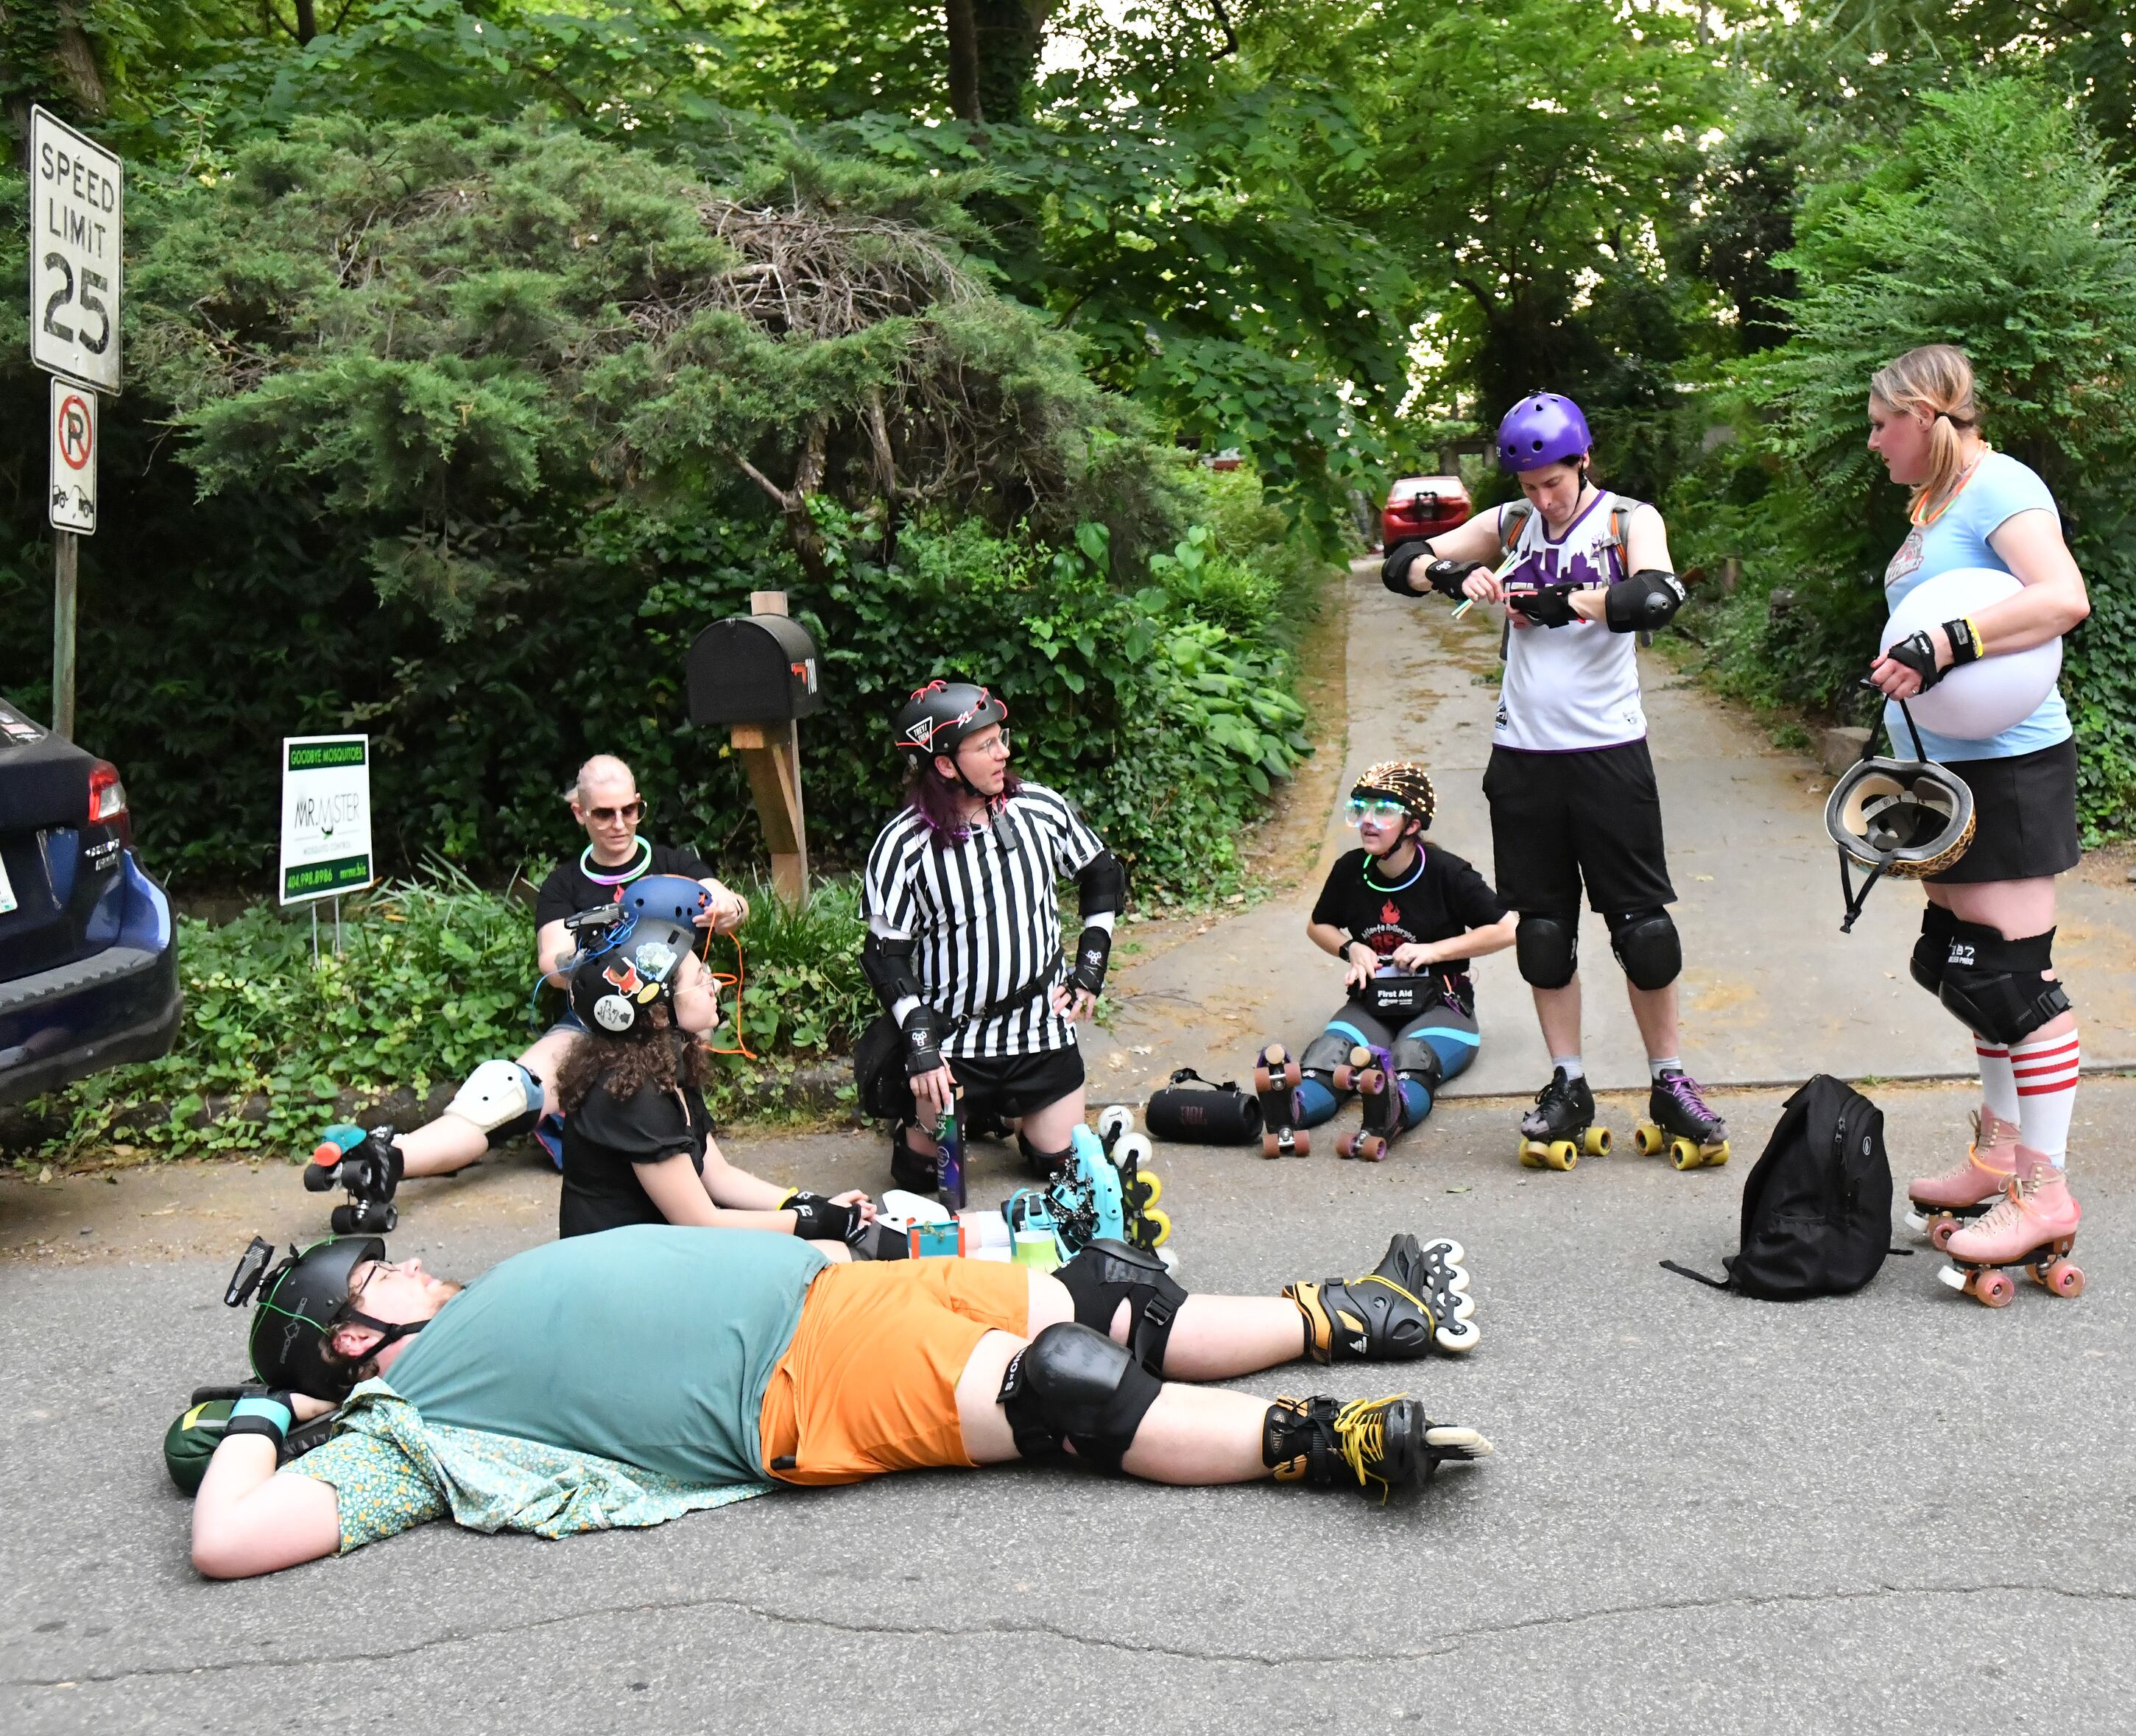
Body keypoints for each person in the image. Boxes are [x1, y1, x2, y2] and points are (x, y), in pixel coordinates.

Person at [186, 1221, 1491, 1577]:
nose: (413, 1264)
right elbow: (230, 1538)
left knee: (1108, 1295)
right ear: (355, 1338)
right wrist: (262, 1413)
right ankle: (1327, 1447)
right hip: (802, 1385)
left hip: (838, 1303)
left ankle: (1368, 1312)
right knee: (1067, 1389)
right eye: (385, 1273)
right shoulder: (413, 1430)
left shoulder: (458, 1314)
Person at [1378, 392, 1731, 1171]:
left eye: (1554, 482)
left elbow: (1657, 596)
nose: (1543, 498)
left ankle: (1669, 1079)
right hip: (1523, 756)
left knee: (1643, 930)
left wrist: (1576, 600)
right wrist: (1451, 574)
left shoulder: (1625, 520)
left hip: (1610, 754)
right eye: (1531, 484)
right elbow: (1399, 565)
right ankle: (1567, 1083)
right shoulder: (1509, 524)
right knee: (1542, 932)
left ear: (1582, 462)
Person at [1861, 347, 2095, 1299]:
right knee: (1962, 967)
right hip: (1944, 768)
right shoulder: (1934, 508)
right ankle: (1998, 1159)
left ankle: (2045, 1188)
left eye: (1883, 423)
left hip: (2011, 767)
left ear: (1925, 413)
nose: (1874, 443)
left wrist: (1949, 640)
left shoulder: (2000, 484)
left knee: (2013, 979)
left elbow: (2061, 598)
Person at [313, 756, 750, 1209]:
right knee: (506, 1092)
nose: (620, 824)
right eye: (604, 813)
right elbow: (552, 964)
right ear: (579, 813)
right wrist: (599, 956)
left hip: (672, 1021)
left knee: (690, 1148)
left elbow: (727, 901)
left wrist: (730, 907)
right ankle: (387, 1157)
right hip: (598, 1019)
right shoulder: (564, 883)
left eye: (629, 810)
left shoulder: (673, 861)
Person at [856, 681, 1124, 1204]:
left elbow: (1101, 872)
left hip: (1037, 1030)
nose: (1005, 753)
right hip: (955, 1042)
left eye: (1001, 738)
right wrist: (919, 1042)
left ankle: (1010, 1112)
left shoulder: (1039, 809)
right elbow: (885, 956)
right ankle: (968, 1111)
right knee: (919, 1176)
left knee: (1058, 1163)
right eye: (986, 745)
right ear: (946, 765)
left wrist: (1091, 963)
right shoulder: (903, 844)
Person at [553, 874, 878, 1252]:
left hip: (664, 1246)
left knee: (838, 1245)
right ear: (658, 1013)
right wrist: (822, 1222)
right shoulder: (632, 1094)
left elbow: (716, 1174)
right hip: (625, 1274)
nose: (716, 984)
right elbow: (702, 1221)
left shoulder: (661, 1061)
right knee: (830, 1254)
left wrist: (810, 1204)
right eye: (700, 976)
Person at [1252, 761, 1519, 1160]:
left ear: (1412, 825)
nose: (1367, 822)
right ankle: (1292, 1108)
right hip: (1371, 1002)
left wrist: (1434, 950)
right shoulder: (1350, 870)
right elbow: (1318, 925)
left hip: (1441, 1006)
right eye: (1361, 809)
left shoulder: (1447, 873)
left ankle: (1391, 1111)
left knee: (1410, 1059)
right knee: (1330, 1054)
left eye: (1383, 812)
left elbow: (1508, 929)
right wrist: (1350, 949)